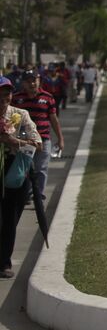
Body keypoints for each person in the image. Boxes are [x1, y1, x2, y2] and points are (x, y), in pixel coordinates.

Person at [0, 78, 43, 279]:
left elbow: (37, 144)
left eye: (7, 93)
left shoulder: (20, 115)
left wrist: (13, 141)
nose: (3, 98)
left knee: (10, 220)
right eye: (0, 94)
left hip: (15, 173)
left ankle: (3, 263)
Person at [13, 72, 62, 220]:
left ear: (39, 81)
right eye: (28, 81)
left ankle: (38, 195)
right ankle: (26, 194)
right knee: (25, 168)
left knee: (41, 169)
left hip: (43, 140)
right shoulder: (16, 98)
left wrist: (60, 139)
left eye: (34, 81)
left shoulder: (47, 98)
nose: (32, 84)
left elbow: (54, 119)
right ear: (23, 83)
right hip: (24, 141)